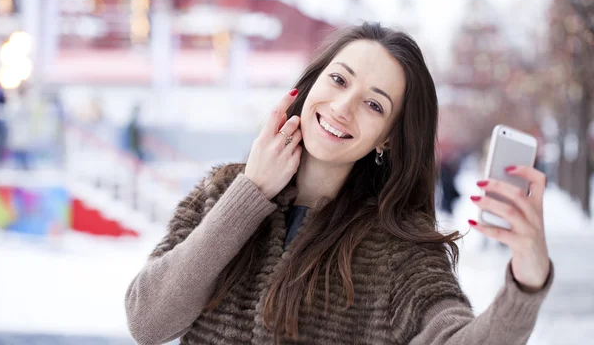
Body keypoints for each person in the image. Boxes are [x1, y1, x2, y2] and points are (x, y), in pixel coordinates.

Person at [125, 23, 553, 345]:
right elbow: (148, 321)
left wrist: (528, 282)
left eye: (373, 103)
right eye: (339, 79)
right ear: (312, 84)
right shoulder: (222, 192)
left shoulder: (400, 251)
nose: (343, 107)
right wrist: (250, 192)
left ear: (388, 135)